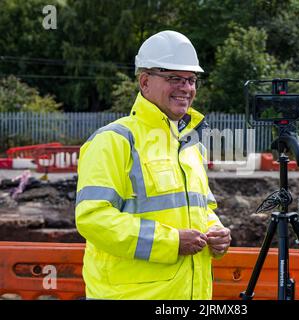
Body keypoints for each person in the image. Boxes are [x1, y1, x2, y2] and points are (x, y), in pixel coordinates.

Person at [75, 30, 231, 300]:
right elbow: (92, 218)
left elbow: (201, 208)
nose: (186, 88)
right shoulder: (114, 140)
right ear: (145, 82)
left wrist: (216, 232)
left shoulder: (190, 146)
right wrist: (170, 242)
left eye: (191, 80)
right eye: (175, 78)